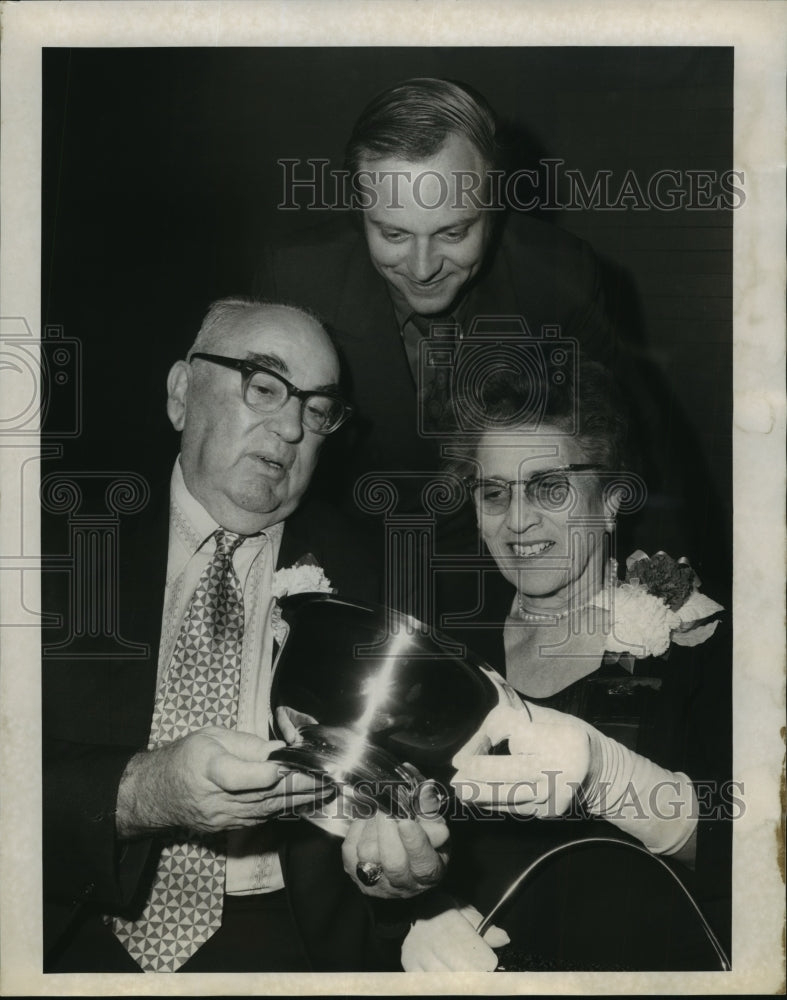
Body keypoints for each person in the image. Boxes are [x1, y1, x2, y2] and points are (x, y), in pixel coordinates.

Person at [41, 298, 448, 974]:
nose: (290, 426)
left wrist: (397, 868)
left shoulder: (383, 577)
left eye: (318, 410)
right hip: (73, 924)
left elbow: (415, 797)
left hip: (289, 944)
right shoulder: (52, 546)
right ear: (181, 393)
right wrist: (143, 792)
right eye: (264, 386)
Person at [400, 357, 731, 971]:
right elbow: (395, 819)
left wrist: (613, 778)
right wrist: (417, 908)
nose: (518, 520)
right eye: (494, 493)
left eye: (550, 487)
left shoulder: (701, 645)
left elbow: (761, 854)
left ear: (610, 502)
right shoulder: (444, 651)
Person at [255, 77, 614, 518]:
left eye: (453, 232)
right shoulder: (295, 279)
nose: (423, 269)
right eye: (393, 233)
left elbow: (608, 451)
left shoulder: (562, 274)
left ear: (495, 208)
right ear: (360, 210)